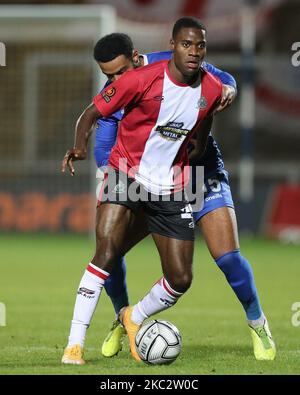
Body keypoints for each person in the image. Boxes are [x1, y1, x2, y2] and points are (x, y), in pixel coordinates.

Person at [93, 34, 276, 361]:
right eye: (109, 77)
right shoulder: (117, 97)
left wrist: (230, 89)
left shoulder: (171, 63)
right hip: (148, 182)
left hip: (199, 172)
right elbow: (104, 150)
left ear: (136, 59)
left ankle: (257, 322)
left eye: (119, 72)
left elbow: (222, 78)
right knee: (109, 253)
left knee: (227, 256)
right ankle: (125, 318)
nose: (116, 81)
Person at [61, 16, 224, 365]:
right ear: (172, 45)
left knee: (181, 278)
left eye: (199, 46)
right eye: (186, 44)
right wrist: (80, 147)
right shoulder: (139, 79)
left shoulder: (210, 88)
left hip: (173, 188)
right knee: (106, 253)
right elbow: (90, 113)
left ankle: (132, 317)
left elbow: (207, 116)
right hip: (126, 177)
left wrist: (199, 143)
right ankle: (74, 344)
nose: (193, 52)